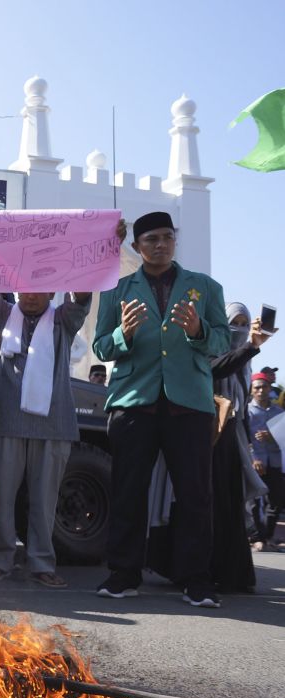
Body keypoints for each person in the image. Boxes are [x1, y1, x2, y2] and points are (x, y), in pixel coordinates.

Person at [92, 212, 229, 608]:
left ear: (175, 241)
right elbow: (102, 347)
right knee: (127, 490)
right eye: (151, 239)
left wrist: (199, 331)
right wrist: (124, 334)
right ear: (137, 247)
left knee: (195, 494)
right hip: (135, 402)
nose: (160, 245)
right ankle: (123, 573)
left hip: (189, 404)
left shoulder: (205, 287)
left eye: (167, 237)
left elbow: (223, 340)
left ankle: (196, 578)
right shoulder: (117, 290)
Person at [0, 289, 92, 588]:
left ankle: (41, 562)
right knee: (1, 498)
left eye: (39, 290)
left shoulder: (62, 318)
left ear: (52, 291)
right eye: (25, 290)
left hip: (53, 423)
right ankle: (0, 558)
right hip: (6, 420)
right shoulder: (2, 314)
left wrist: (85, 284)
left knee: (44, 500)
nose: (30, 297)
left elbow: (79, 302)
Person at [198, 302, 269, 593]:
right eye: (233, 323)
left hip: (234, 438)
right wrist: (248, 348)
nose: (238, 329)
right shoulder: (213, 352)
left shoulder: (246, 362)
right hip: (210, 434)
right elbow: (214, 372)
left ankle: (234, 574)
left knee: (232, 504)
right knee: (211, 503)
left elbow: (241, 406)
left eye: (243, 323)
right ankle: (206, 571)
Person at [249, 371, 285, 551]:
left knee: (275, 500)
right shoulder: (246, 412)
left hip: (275, 462)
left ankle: (269, 536)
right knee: (255, 501)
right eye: (257, 387)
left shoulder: (279, 412)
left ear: (270, 388)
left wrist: (272, 437)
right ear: (252, 391)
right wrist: (253, 458)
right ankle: (258, 537)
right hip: (255, 463)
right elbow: (243, 439)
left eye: (264, 387)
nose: (261, 390)